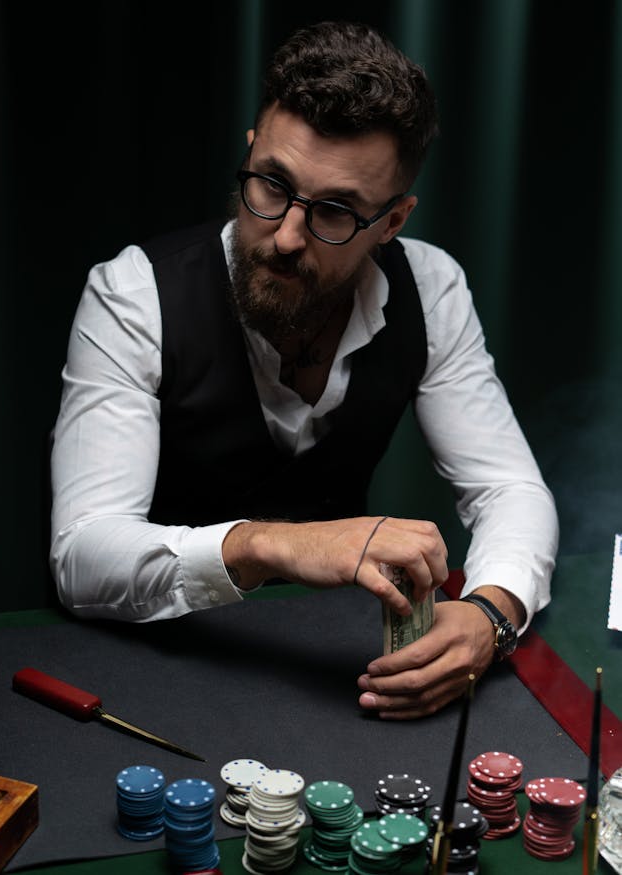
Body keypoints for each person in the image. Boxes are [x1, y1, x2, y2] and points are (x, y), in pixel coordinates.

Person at [49, 20, 558, 719]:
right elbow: (82, 557)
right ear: (252, 151)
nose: (286, 236)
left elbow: (511, 489)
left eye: (335, 212)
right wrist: (274, 544)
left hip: (326, 676)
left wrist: (491, 614)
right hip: (135, 666)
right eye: (272, 185)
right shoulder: (133, 293)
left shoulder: (430, 288)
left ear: (392, 221)